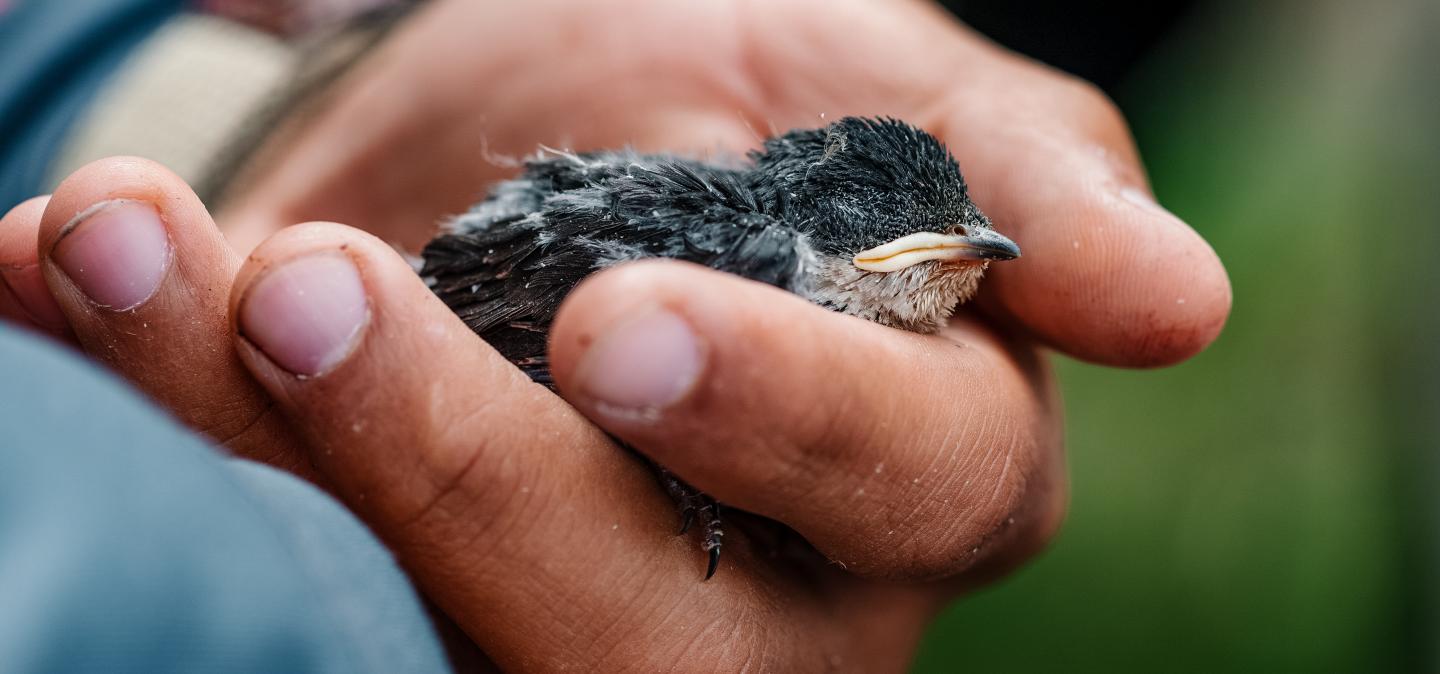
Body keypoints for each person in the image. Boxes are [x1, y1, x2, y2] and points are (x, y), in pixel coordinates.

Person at [0, 0, 1231, 671]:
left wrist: (198, 102)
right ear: (828, 217)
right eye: (914, 231)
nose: (958, 258)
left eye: (958, 238)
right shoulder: (759, 259)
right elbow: (495, 299)